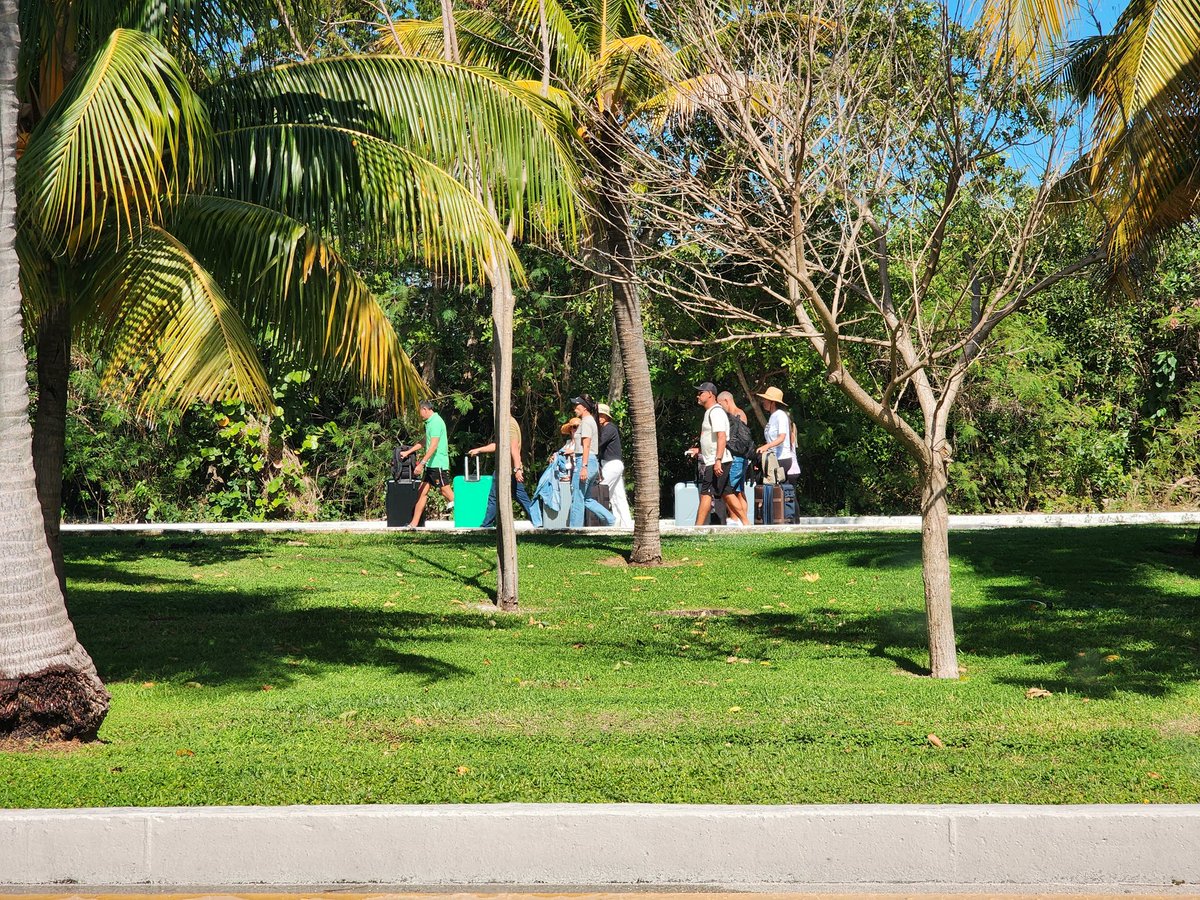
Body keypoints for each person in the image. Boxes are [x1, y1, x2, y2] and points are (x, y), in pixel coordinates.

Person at [687, 382, 746, 526]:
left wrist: (718, 459)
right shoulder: (711, 412)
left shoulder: (716, 412)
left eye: (701, 392)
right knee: (727, 492)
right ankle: (746, 523)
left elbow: (721, 436)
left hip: (716, 461)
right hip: (715, 459)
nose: (698, 395)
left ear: (710, 395)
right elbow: (712, 440)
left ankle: (698, 528)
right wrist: (699, 450)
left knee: (706, 492)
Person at [470, 413, 541, 528]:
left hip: (506, 470)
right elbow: (499, 445)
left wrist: (517, 469)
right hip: (509, 469)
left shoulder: (509, 424)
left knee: (494, 497)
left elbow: (513, 448)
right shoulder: (505, 423)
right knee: (521, 497)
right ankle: (538, 522)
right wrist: (480, 450)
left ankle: (486, 525)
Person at [400, 400, 454, 527]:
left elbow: (433, 445)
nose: (420, 415)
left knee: (446, 491)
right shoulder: (429, 423)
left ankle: (469, 516)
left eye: (420, 412)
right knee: (421, 492)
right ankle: (413, 524)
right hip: (431, 465)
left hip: (438, 464)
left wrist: (421, 463)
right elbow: (425, 441)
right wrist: (408, 452)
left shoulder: (436, 422)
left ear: (425, 409)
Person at [567, 395, 615, 527]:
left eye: (576, 406)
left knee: (577, 497)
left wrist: (584, 467)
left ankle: (574, 531)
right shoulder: (588, 421)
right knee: (586, 498)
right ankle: (610, 519)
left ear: (584, 407)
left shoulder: (587, 422)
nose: (574, 408)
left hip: (585, 461)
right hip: (590, 461)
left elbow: (586, 445)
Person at [754, 385, 800, 522]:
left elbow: (781, 437)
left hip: (781, 458)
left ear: (772, 402)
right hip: (774, 457)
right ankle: (784, 517)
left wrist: (766, 446)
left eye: (766, 400)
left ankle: (790, 518)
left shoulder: (780, 416)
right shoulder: (773, 416)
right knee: (781, 488)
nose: (763, 402)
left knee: (776, 486)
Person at [716, 391, 753, 525]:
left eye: (720, 404)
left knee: (728, 489)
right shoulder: (741, 414)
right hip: (742, 457)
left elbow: (732, 439)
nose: (720, 408)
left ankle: (736, 520)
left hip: (735, 457)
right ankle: (743, 522)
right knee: (738, 490)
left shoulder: (735, 416)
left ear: (726, 400)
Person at [596, 403, 633, 528]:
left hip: (612, 464)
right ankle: (625, 524)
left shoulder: (609, 428)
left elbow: (598, 444)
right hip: (611, 464)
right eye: (598, 415)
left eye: (602, 415)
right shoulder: (605, 429)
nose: (600, 417)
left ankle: (603, 522)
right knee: (618, 496)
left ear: (607, 417)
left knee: (601, 491)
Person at [534, 418, 578, 515]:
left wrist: (573, 453)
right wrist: (554, 457)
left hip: (575, 472)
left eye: (577, 427)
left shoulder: (583, 443)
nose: (575, 430)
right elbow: (560, 454)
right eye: (573, 427)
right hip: (564, 473)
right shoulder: (568, 443)